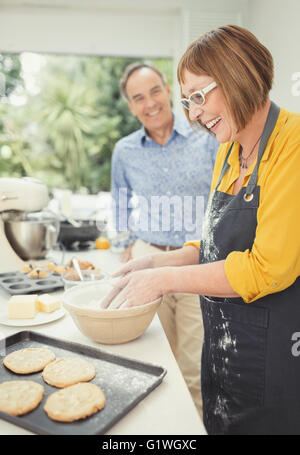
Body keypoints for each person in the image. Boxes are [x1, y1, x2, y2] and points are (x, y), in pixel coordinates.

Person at [104, 25, 300, 435]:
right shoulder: (229, 149)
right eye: (188, 100)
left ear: (237, 76)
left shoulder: (293, 144)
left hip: (272, 361)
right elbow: (215, 242)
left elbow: (268, 268)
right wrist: (156, 261)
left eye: (198, 96)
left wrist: (165, 279)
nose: (193, 114)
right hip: (226, 355)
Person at [110, 61, 218, 418]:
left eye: (155, 91)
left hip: (194, 265)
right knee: (150, 361)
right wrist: (123, 248)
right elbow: (120, 201)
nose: (150, 103)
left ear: (169, 91)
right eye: (138, 97)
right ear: (129, 105)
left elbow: (225, 195)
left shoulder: (207, 136)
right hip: (147, 259)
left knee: (194, 365)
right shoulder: (124, 150)